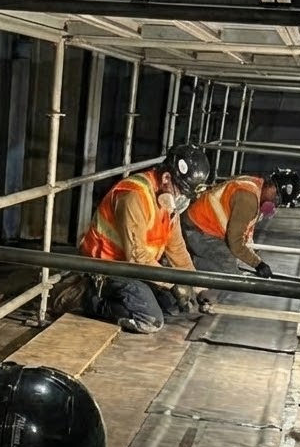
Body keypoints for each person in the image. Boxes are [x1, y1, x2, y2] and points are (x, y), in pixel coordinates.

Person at [53, 143, 211, 334]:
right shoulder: (134, 195)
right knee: (150, 320)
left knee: (173, 306)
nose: (183, 199)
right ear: (166, 178)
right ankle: (86, 297)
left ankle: (124, 297)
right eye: (182, 192)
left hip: (133, 268)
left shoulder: (168, 202)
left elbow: (177, 249)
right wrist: (173, 284)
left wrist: (198, 287)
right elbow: (136, 257)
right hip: (107, 267)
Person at [179, 167, 300, 310]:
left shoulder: (256, 185)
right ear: (271, 185)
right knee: (231, 275)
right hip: (196, 229)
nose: (274, 203)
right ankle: (184, 266)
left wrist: (251, 256)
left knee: (235, 262)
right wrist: (258, 264)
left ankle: (194, 275)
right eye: (276, 198)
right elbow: (235, 242)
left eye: (278, 202)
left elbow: (244, 232)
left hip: (205, 227)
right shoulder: (248, 199)